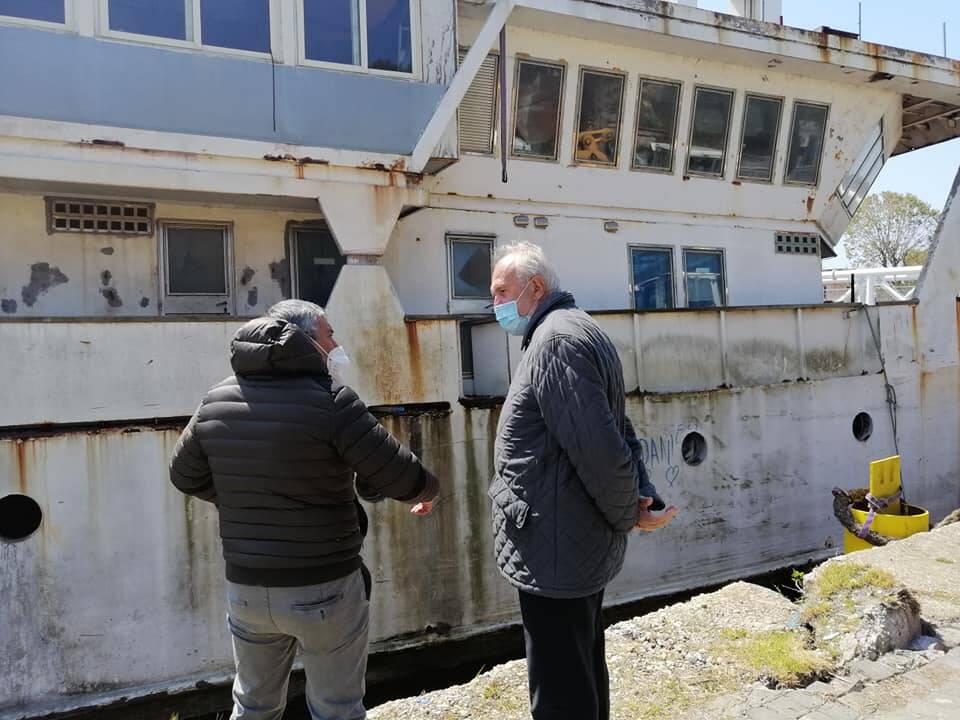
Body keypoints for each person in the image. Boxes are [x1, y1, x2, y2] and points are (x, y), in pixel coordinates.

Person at [169, 299, 438, 720]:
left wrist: (245, 500)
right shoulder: (331, 401)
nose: (337, 342)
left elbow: (184, 475)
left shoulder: (216, 399)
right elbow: (398, 475)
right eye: (329, 334)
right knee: (336, 709)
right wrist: (429, 490)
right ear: (306, 341)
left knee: (253, 706)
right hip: (324, 585)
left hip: (248, 590)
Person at [488, 242, 678, 720]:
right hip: (567, 542)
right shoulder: (574, 329)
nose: (495, 306)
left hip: (556, 552)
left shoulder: (555, 341)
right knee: (580, 669)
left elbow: (600, 448)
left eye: (501, 292)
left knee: (560, 692)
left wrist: (630, 512)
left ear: (534, 288)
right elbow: (617, 428)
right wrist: (641, 495)